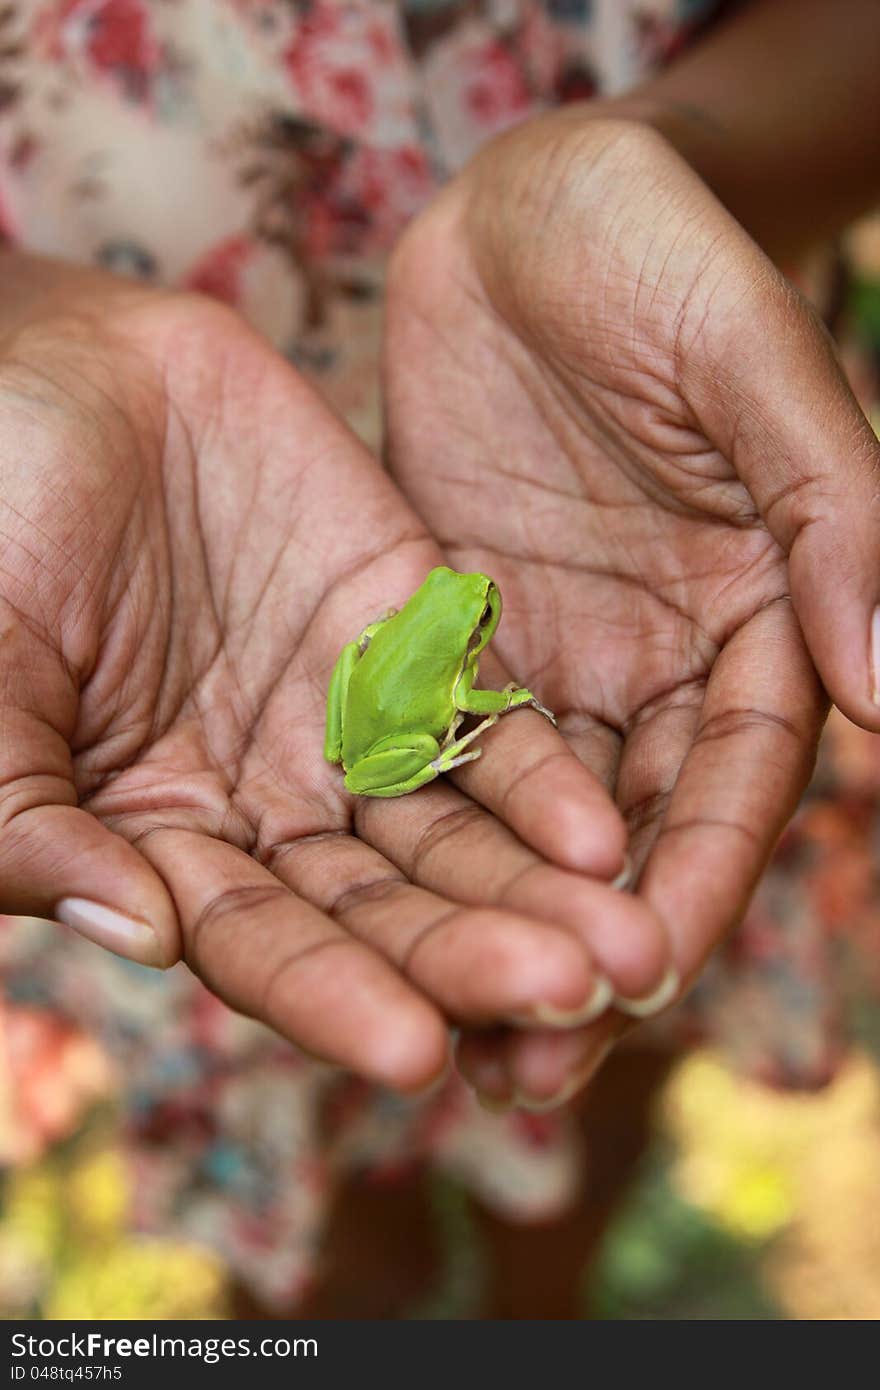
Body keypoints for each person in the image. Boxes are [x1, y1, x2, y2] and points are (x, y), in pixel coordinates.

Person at [1, 0, 879, 1313]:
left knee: (614, 988)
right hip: (180, 599)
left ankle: (540, 1302)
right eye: (473, 625)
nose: (478, 627)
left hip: (641, 447)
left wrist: (667, 153)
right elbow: (418, 675)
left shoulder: (478, 604)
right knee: (338, 1203)